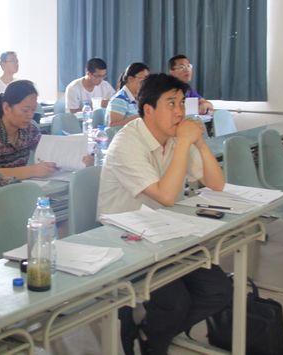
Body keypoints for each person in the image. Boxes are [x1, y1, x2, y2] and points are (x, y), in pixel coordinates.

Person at [97, 73, 230, 355]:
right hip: (126, 239)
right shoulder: (127, 143)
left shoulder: (173, 137)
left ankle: (150, 332)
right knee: (175, 302)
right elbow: (166, 196)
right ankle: (154, 343)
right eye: (171, 104)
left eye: (181, 103)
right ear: (148, 109)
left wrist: (199, 143)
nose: (180, 112)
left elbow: (216, 184)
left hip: (165, 233)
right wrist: (184, 143)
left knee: (219, 290)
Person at [0, 80, 57, 181]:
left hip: (16, 186)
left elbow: (48, 151)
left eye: (33, 110)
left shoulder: (29, 130)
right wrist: (32, 171)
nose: (30, 115)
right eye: (25, 110)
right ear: (6, 108)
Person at [106, 62, 149, 128]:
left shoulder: (138, 98)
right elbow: (113, 126)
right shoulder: (119, 99)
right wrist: (138, 118)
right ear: (130, 79)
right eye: (144, 79)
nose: (146, 83)